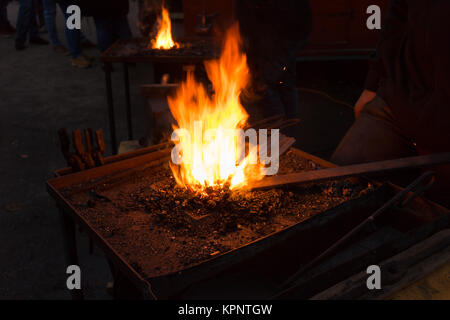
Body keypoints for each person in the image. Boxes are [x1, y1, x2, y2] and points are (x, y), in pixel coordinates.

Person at [331, 0, 450, 206]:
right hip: (397, 99)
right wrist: (374, 81)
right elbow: (398, 13)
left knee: (430, 218)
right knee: (334, 190)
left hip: (444, 130)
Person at [236, 0, 312, 136]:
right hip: (289, 28)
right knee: (284, 83)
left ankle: (277, 141)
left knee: (266, 88)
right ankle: (288, 137)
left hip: (277, 32)